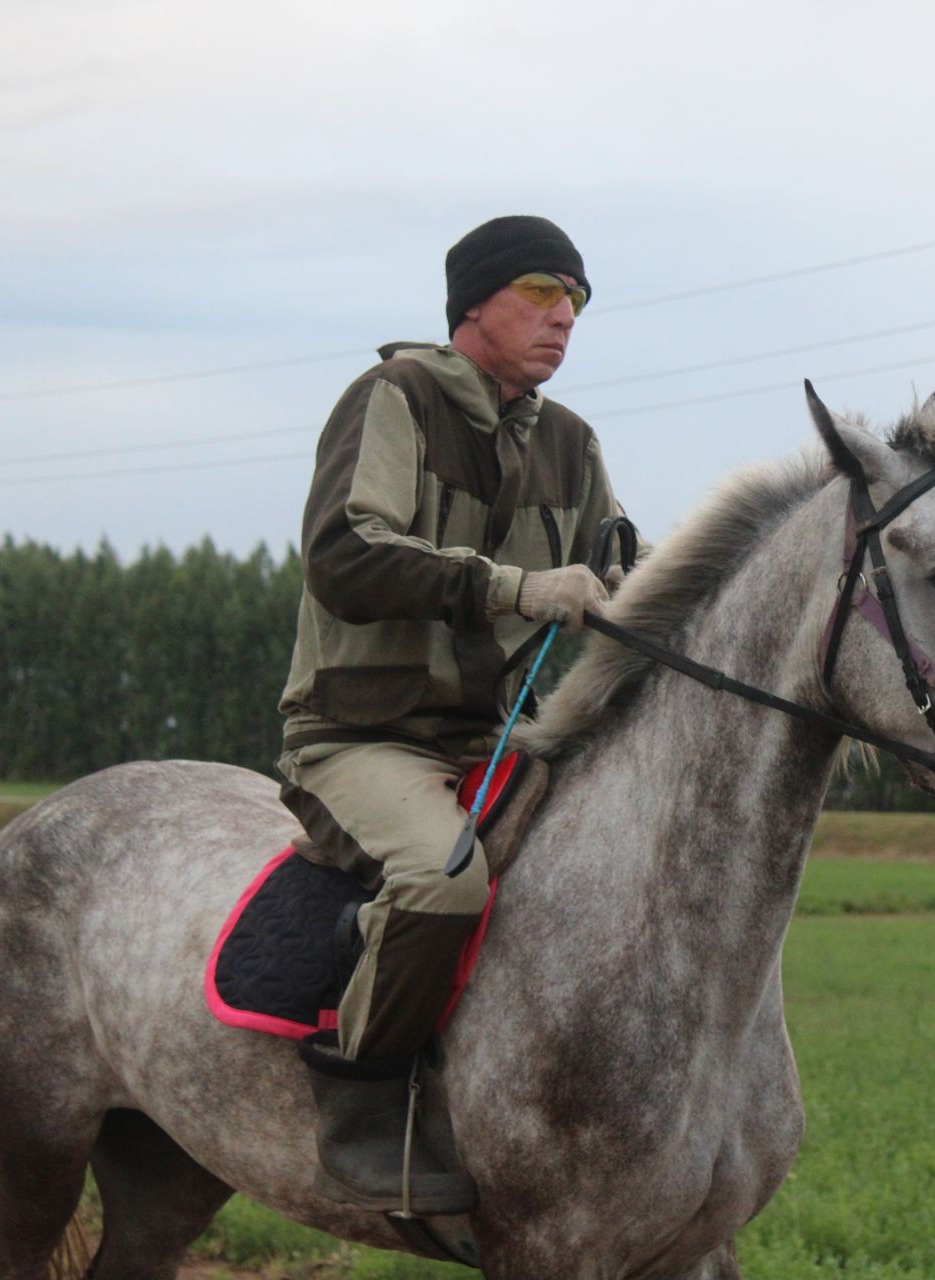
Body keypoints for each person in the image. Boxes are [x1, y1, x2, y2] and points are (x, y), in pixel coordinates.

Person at [275, 215, 634, 1212]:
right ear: (473, 301)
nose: (565, 316)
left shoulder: (573, 443)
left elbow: (617, 579)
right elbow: (344, 555)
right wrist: (518, 588)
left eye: (579, 299)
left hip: (497, 740)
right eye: (540, 290)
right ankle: (360, 1115)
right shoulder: (393, 396)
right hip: (361, 735)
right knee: (443, 884)